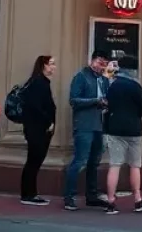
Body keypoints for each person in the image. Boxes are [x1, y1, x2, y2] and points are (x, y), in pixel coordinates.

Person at [104, 55, 142, 214]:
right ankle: (138, 199)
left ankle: (110, 201)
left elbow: (107, 105)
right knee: (134, 165)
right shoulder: (135, 86)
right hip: (133, 129)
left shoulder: (112, 85)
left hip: (114, 128)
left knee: (114, 165)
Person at [62, 50, 110, 211]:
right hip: (83, 125)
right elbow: (74, 100)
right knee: (79, 161)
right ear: (92, 61)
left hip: (99, 125)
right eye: (99, 62)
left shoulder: (104, 80)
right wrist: (95, 101)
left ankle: (92, 196)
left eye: (104, 64)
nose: (101, 66)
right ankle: (69, 196)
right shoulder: (81, 77)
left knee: (94, 163)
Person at [20, 54, 56, 205]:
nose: (54, 67)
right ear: (43, 65)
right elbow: (36, 107)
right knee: (33, 161)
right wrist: (48, 121)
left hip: (39, 129)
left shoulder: (41, 82)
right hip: (37, 129)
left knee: (34, 161)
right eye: (51, 64)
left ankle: (30, 193)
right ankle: (28, 194)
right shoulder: (38, 82)